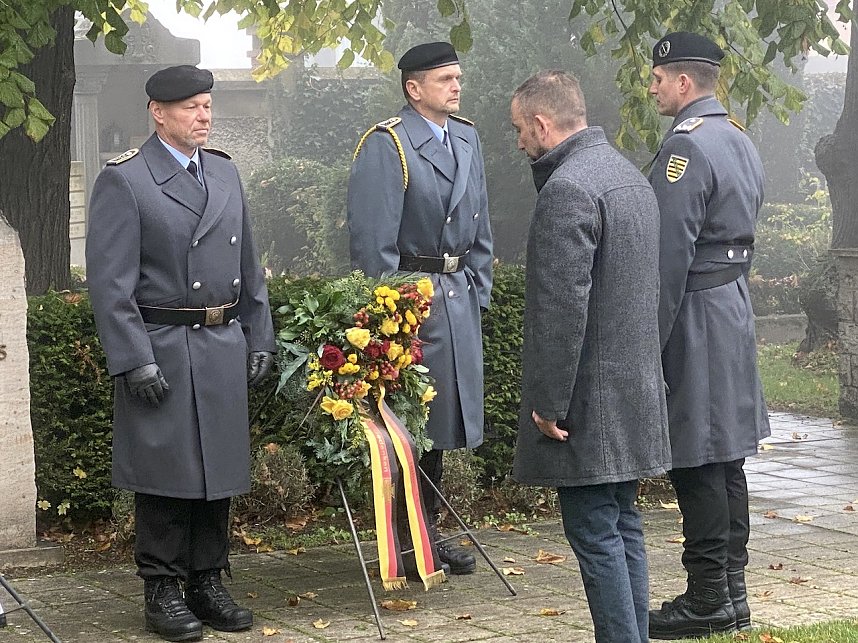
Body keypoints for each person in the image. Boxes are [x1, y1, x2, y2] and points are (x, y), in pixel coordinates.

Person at [86, 65, 276, 642]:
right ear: (157, 112)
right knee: (166, 476)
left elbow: (251, 273)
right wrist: (132, 357)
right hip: (163, 346)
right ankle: (162, 588)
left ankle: (207, 579)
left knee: (217, 473)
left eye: (207, 105)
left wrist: (258, 334)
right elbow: (110, 284)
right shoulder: (126, 180)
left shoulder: (223, 172)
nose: (204, 116)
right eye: (191, 106)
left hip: (219, 344)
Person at [510, 70, 671, 643]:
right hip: (631, 391)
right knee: (624, 524)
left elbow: (561, 309)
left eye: (519, 129)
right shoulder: (629, 176)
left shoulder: (567, 190)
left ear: (541, 123)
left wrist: (550, 404)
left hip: (586, 403)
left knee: (596, 532)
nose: (519, 143)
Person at [347, 41, 493, 575]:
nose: (457, 86)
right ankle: (408, 541)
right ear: (414, 88)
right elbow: (373, 246)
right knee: (414, 425)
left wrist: (479, 291)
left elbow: (481, 229)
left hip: (457, 299)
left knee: (445, 428)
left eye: (458, 77)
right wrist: (392, 321)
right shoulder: (389, 145)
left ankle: (428, 531)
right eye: (445, 79)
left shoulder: (468, 137)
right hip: (414, 305)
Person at [645, 32, 771, 639]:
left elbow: (668, 255)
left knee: (697, 456)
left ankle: (707, 599)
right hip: (732, 304)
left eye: (659, 77)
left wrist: (648, 339)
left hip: (694, 308)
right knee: (726, 458)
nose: (653, 86)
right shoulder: (738, 138)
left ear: (684, 82)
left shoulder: (686, 149)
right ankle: (733, 593)